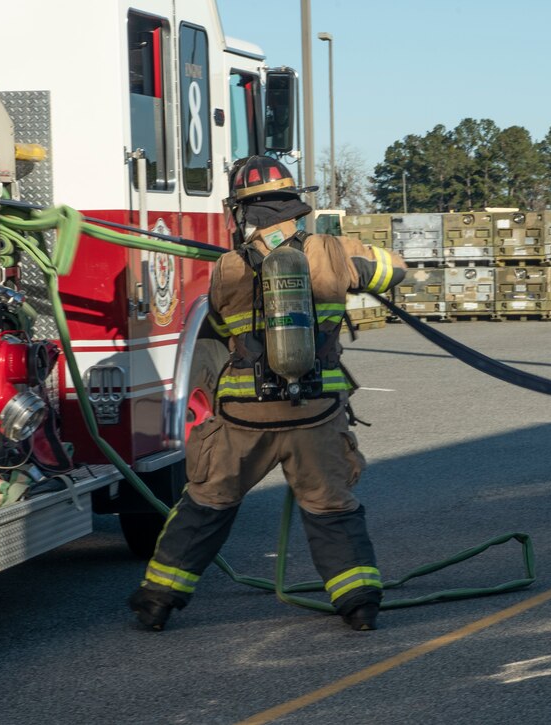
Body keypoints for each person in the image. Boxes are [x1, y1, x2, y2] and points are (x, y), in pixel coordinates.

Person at [128, 155, 406, 631]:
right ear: (295, 205)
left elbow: (217, 324)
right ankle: (359, 605)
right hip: (315, 415)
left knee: (207, 504)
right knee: (330, 509)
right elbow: (394, 272)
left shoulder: (227, 268)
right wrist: (345, 260)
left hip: (245, 419)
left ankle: (157, 600)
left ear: (239, 211)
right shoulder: (331, 251)